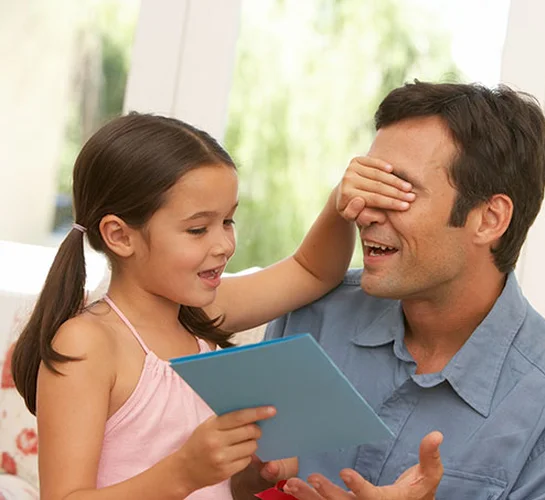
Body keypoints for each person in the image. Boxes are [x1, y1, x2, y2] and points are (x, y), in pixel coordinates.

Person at [231, 81, 545, 499]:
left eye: (398, 192)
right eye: (366, 183)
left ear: (489, 218)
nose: (362, 211)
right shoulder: (311, 314)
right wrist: (249, 474)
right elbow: (237, 488)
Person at [10, 112, 415, 499]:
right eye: (198, 229)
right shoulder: (89, 343)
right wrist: (183, 471)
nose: (223, 245)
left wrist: (340, 205)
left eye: (228, 222)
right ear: (119, 236)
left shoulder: (199, 316)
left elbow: (311, 272)